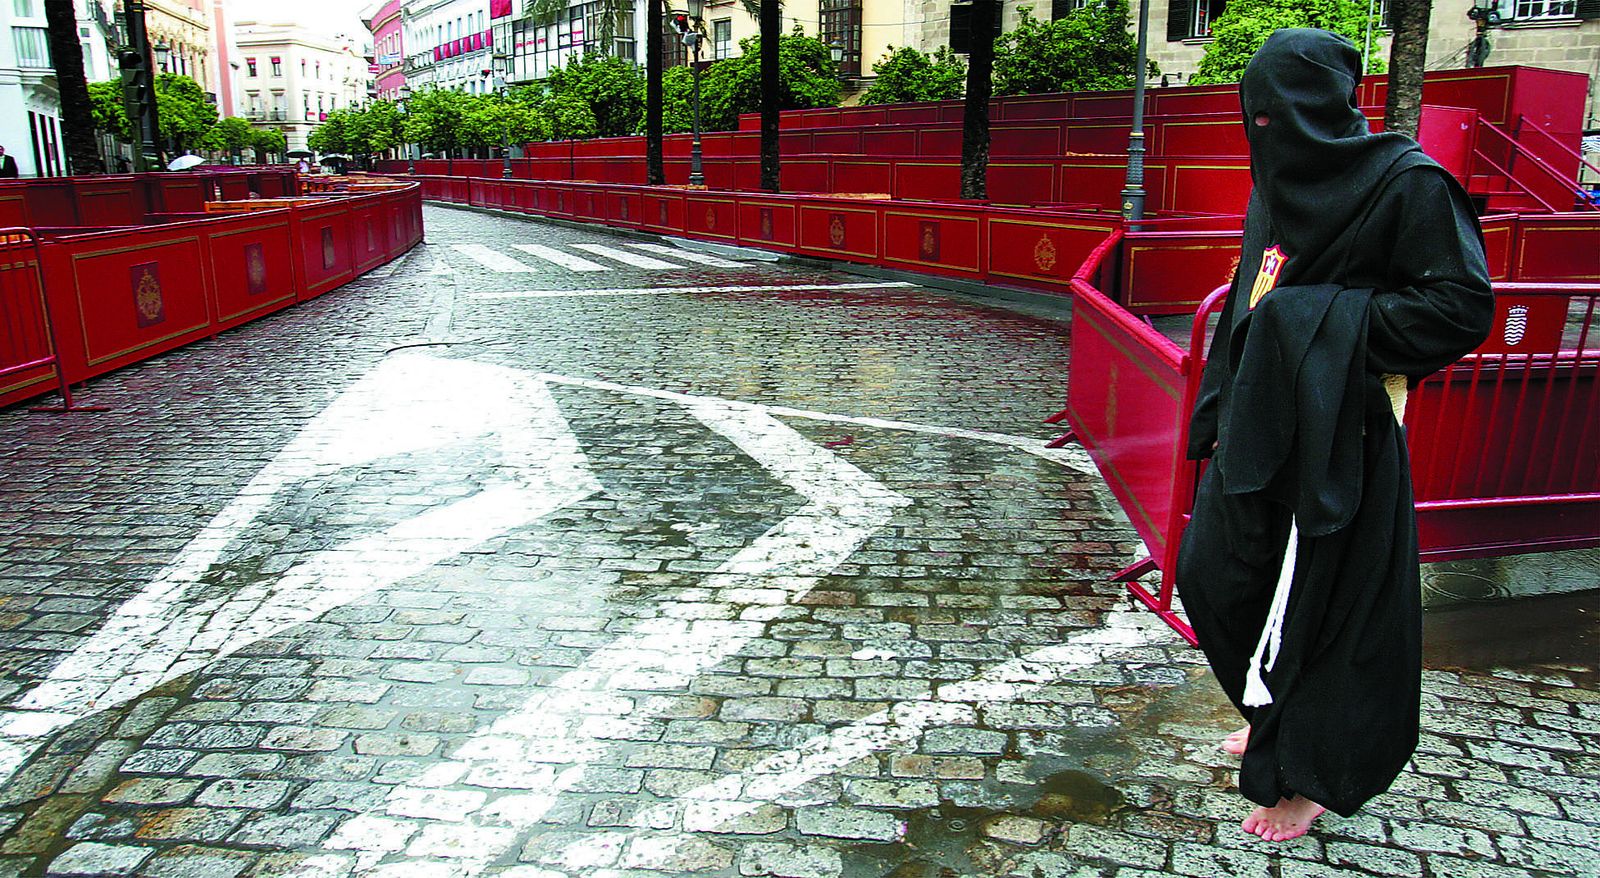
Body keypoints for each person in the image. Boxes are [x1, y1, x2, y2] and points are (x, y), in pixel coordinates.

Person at [1176, 29, 1494, 842]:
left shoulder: (1407, 182)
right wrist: (1216, 410)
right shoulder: (1276, 181)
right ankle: (1273, 716)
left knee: (1326, 608)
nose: (1265, 132)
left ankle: (1306, 778)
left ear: (1320, 107)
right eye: (1255, 117)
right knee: (1214, 576)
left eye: (1277, 114)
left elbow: (1459, 307)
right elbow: (1251, 298)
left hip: (1341, 434)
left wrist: (1314, 326)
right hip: (1256, 423)